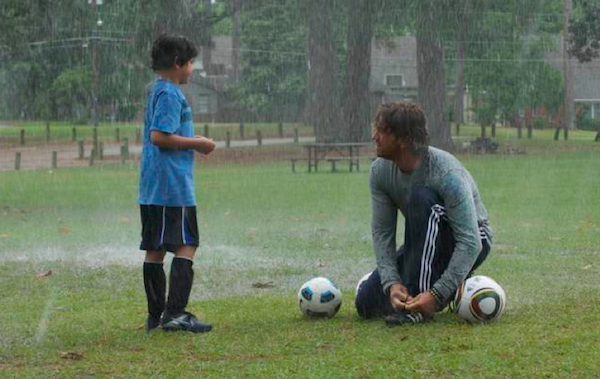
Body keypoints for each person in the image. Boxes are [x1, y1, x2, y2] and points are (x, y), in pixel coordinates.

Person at [355, 102, 492, 326]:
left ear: (404, 139)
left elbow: (471, 241)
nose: (374, 136)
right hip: (424, 240)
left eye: (381, 131)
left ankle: (419, 306)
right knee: (367, 303)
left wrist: (436, 296)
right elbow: (382, 231)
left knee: (421, 198)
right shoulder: (380, 171)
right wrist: (391, 283)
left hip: (469, 240)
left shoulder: (447, 173)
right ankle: (440, 287)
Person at [139, 33, 216, 333]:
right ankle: (175, 313)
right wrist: (197, 142)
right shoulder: (170, 94)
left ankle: (156, 317)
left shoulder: (157, 90)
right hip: (172, 186)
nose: (192, 70)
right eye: (190, 63)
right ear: (177, 63)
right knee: (187, 244)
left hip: (153, 185)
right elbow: (159, 136)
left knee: (156, 248)